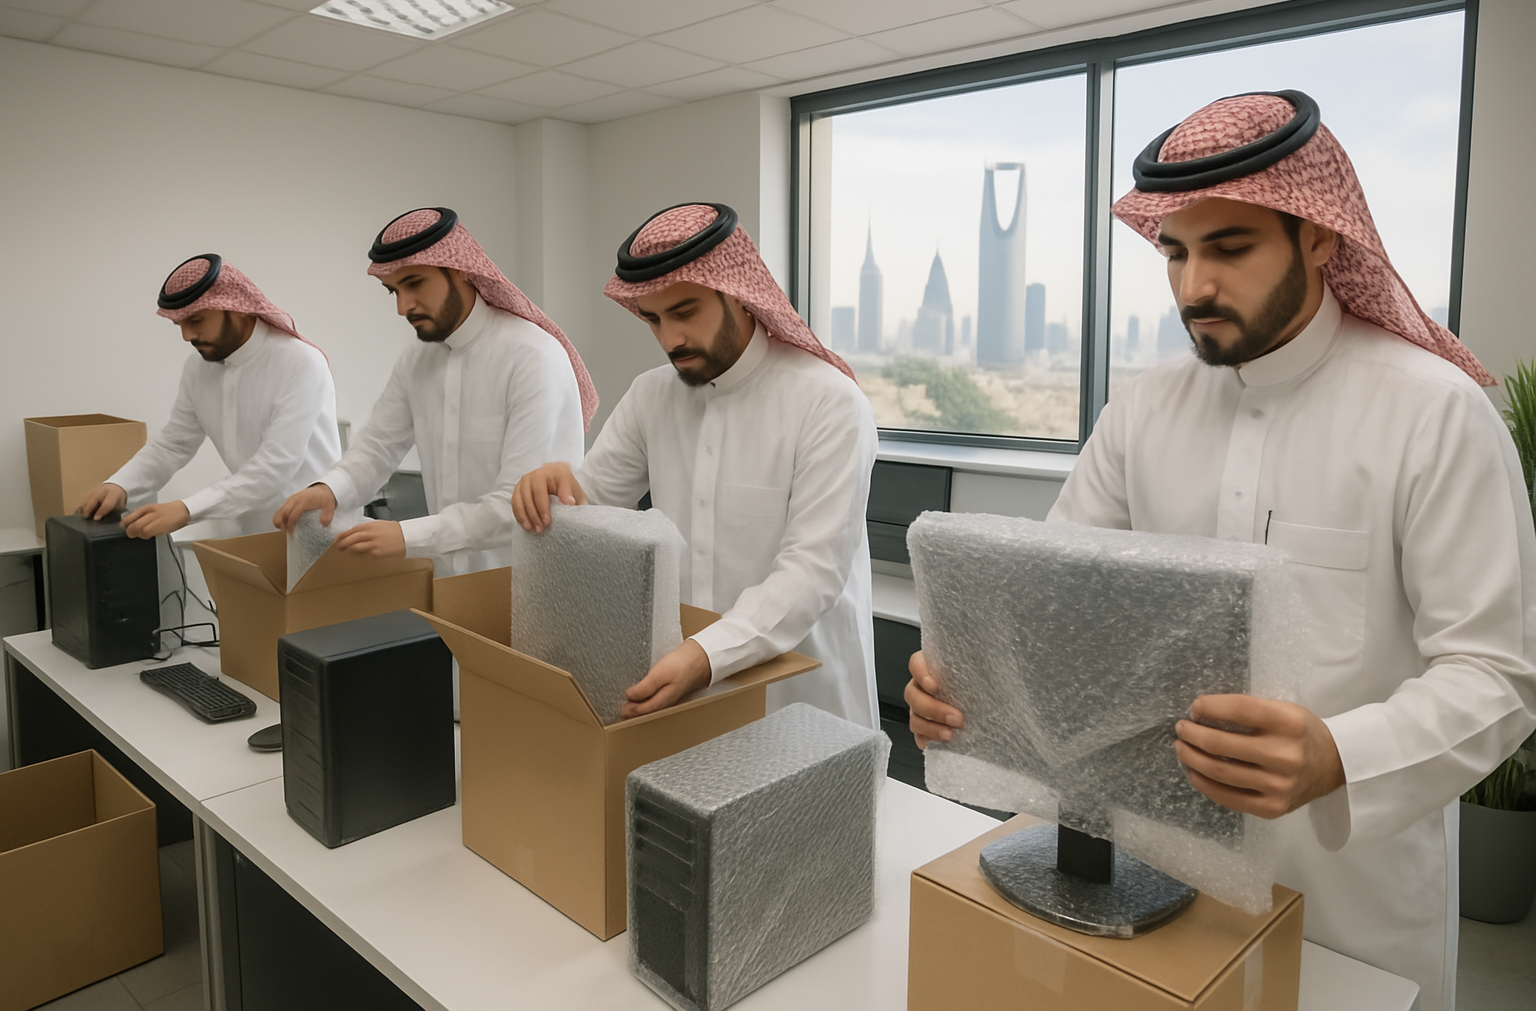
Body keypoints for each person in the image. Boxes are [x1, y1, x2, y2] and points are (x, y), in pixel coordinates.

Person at [905, 91, 1536, 1011]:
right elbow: (1044, 601)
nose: (1194, 286)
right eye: (1176, 251)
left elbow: (1497, 675)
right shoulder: (1143, 412)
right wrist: (963, 680)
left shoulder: (1434, 413)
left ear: (1319, 238)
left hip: (1346, 901)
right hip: (1153, 882)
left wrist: (1337, 756)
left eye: (1230, 248)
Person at [512, 203, 879, 727]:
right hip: (682, 687)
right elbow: (592, 506)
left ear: (740, 296)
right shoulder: (651, 395)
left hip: (802, 696)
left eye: (685, 313)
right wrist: (554, 491)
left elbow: (811, 572)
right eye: (654, 319)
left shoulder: (830, 402)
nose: (669, 340)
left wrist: (707, 656)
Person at [273, 207, 596, 577]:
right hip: (449, 583)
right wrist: (329, 489)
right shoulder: (418, 359)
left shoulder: (533, 357)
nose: (402, 307)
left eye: (414, 283)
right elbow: (377, 447)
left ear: (458, 268)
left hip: (531, 584)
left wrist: (406, 536)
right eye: (393, 291)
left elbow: (517, 506)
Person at [79, 254, 340, 539]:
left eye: (196, 320)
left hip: (319, 532)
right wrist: (121, 485)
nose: (187, 335)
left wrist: (186, 510)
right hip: (253, 531)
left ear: (238, 308)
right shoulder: (197, 369)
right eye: (179, 324)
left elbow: (274, 466)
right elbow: (173, 444)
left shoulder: (299, 362)